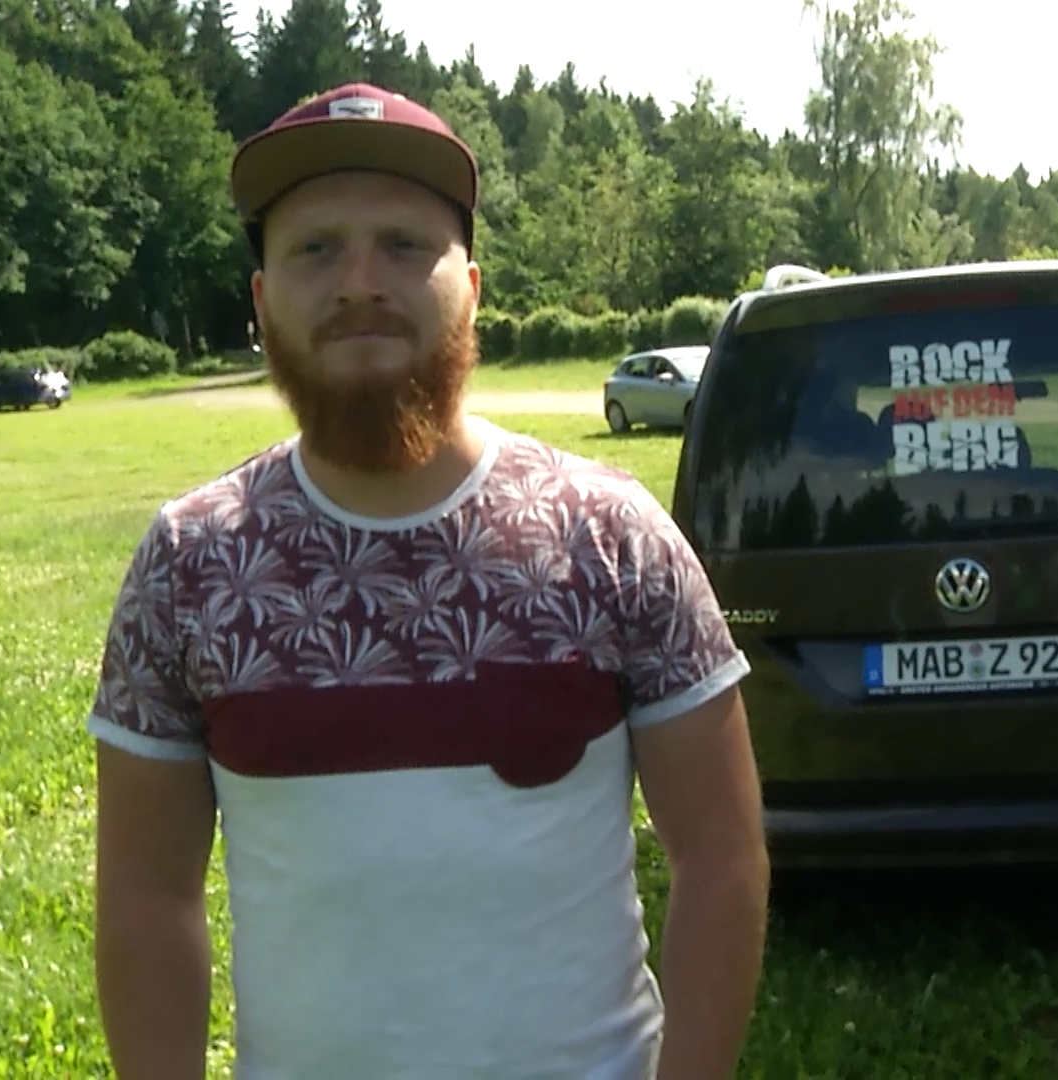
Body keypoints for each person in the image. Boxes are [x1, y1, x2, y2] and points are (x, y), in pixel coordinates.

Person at [87, 82, 769, 1079]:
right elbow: (147, 897)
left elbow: (720, 856)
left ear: (473, 288)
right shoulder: (193, 563)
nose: (361, 280)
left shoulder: (609, 536)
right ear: (263, 301)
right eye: (315, 248)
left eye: (405, 246)